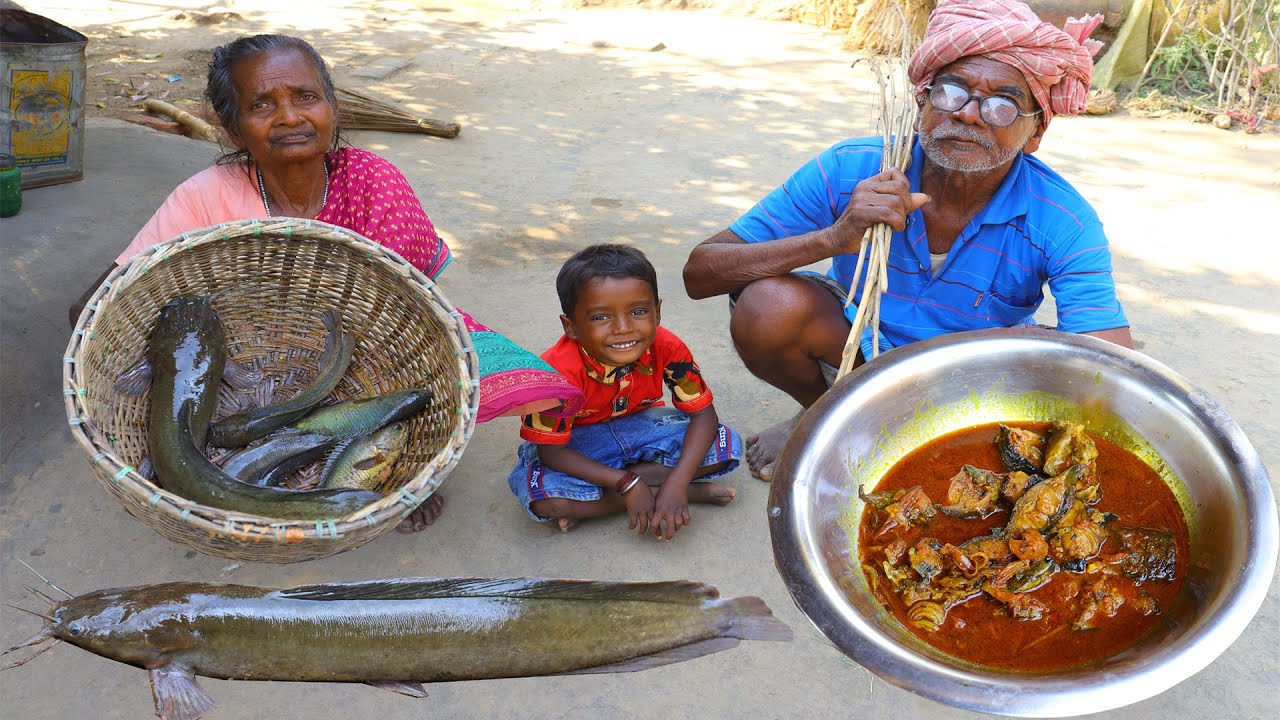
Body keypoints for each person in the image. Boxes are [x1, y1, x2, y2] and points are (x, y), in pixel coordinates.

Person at [69, 34, 584, 532]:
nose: (289, 117)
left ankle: (397, 466)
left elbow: (410, 310)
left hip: (374, 348)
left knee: (459, 363)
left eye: (306, 97)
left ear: (333, 107)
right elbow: (92, 306)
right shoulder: (205, 196)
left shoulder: (374, 180)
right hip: (254, 358)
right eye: (260, 104)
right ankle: (342, 487)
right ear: (231, 127)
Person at [681, 0, 1134, 483]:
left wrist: (1030, 349)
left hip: (974, 371)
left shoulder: (1061, 217)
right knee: (768, 308)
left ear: (1035, 131)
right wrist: (834, 238)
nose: (970, 115)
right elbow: (701, 273)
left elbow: (1113, 361)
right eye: (952, 92)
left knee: (1052, 359)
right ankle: (825, 414)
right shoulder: (853, 167)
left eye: (1002, 104)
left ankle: (896, 428)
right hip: (857, 343)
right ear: (922, 103)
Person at [506, 244, 742, 540]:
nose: (622, 328)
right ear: (571, 326)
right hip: (577, 445)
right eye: (600, 317)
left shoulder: (668, 347)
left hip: (642, 428)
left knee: (725, 446)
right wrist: (628, 483)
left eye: (638, 311)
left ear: (657, 313)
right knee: (545, 500)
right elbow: (552, 452)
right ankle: (659, 493)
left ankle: (641, 494)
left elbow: (703, 416)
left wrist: (678, 482)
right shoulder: (555, 375)